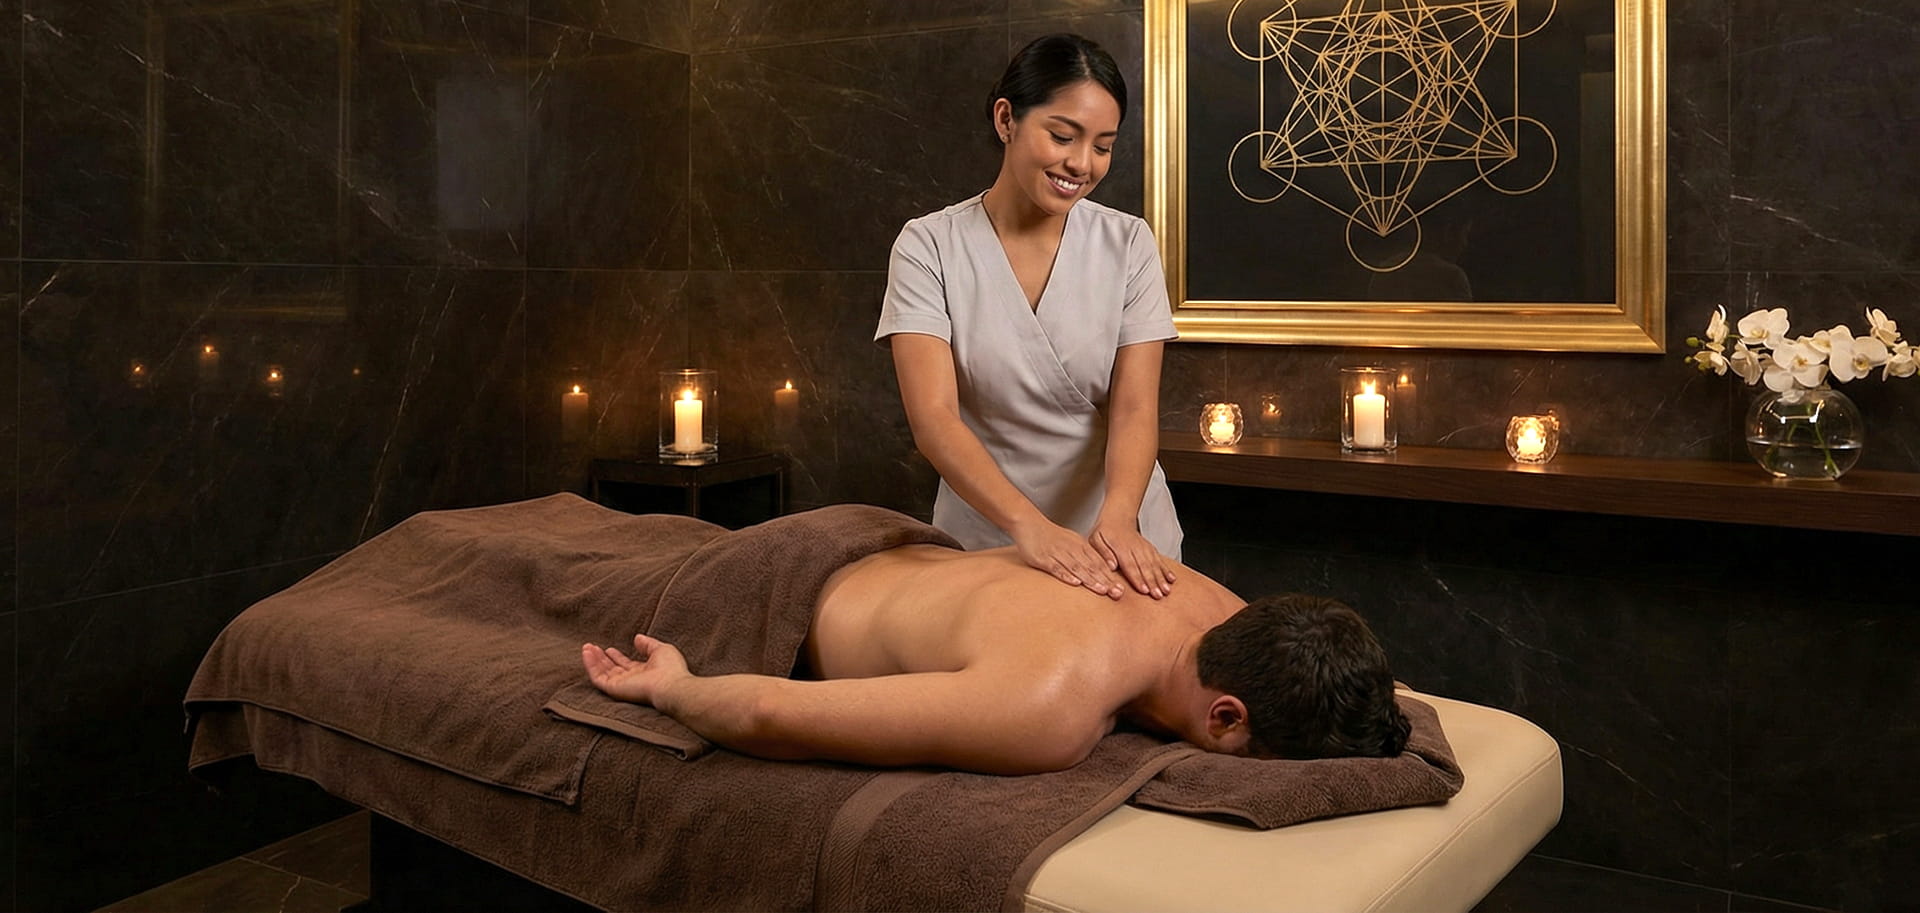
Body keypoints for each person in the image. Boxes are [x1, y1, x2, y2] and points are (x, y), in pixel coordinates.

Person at [581, 541, 1410, 776]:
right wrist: (675, 688)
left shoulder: (1215, 606)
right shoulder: (1049, 705)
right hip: (777, 578)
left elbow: (1346, 677)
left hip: (890, 539)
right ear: (1225, 716)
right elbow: (770, 712)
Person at [875, 33, 1183, 603]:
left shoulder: (1128, 243)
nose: (1081, 164)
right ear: (1006, 120)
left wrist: (1119, 521)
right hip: (992, 537)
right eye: (1062, 136)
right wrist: (1029, 527)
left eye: (1103, 146)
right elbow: (935, 418)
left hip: (1117, 535)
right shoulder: (928, 246)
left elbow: (1135, 407)